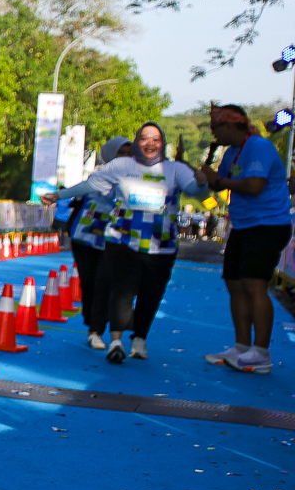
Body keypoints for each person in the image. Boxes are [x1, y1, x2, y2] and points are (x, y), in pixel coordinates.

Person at [46, 123, 205, 364]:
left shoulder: (173, 170)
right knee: (111, 288)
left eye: (155, 139)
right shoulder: (117, 169)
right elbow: (91, 187)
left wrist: (201, 182)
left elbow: (195, 189)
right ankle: (109, 337)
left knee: (142, 291)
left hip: (156, 244)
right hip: (107, 238)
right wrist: (59, 195)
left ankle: (136, 338)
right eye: (143, 139)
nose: (148, 144)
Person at [199, 105, 292, 373]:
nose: (213, 133)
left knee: (254, 284)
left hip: (268, 225)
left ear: (230, 126)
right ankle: (241, 347)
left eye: (215, 127)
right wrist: (204, 176)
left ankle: (261, 352)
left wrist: (219, 181)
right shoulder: (231, 152)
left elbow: (254, 186)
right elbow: (220, 182)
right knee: (234, 283)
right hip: (243, 225)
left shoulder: (259, 147)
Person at [60, 135, 132, 348]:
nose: (126, 157)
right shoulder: (98, 175)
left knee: (105, 283)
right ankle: (91, 321)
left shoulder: (136, 179)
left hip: (113, 238)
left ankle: (96, 330)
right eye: (121, 153)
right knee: (88, 282)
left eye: (129, 154)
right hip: (85, 236)